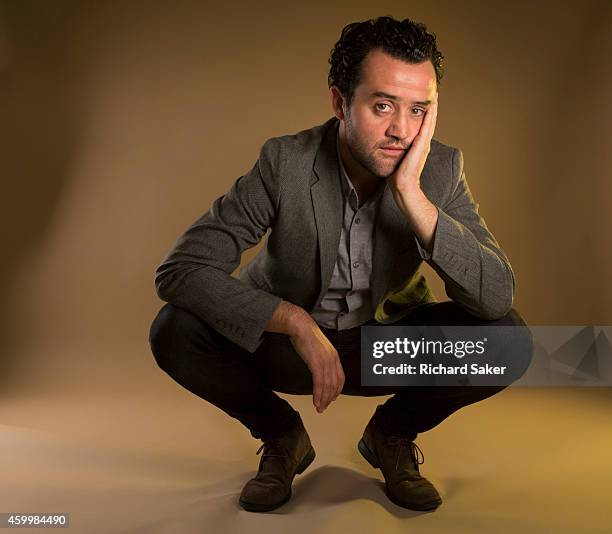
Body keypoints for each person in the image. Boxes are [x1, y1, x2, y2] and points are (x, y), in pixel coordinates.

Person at [148, 16, 532, 513]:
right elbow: (180, 270)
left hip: (381, 347)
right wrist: (292, 320)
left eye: (419, 110)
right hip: (287, 349)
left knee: (510, 340)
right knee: (173, 330)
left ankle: (390, 435)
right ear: (339, 102)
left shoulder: (438, 169)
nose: (400, 130)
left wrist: (414, 197)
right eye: (382, 106)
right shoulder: (285, 162)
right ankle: (282, 437)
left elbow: (495, 297)